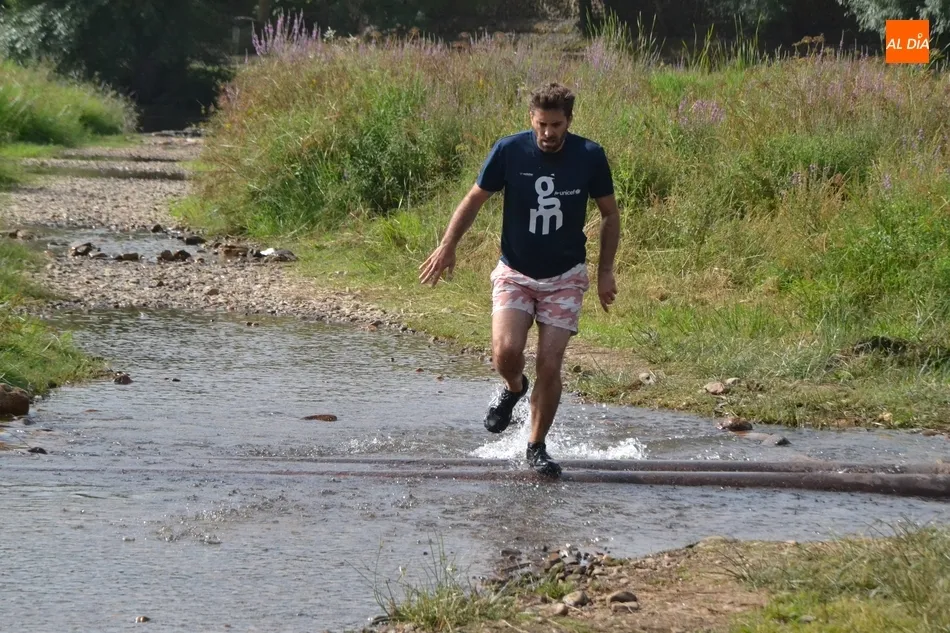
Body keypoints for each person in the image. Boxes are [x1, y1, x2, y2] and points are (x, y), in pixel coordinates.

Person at [418, 82, 620, 478]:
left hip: (565, 277)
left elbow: (610, 215)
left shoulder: (589, 156)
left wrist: (605, 271)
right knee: (506, 353)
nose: (548, 133)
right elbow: (474, 199)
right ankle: (514, 387)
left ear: (569, 122)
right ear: (531, 118)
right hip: (515, 272)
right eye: (541, 124)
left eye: (556, 125)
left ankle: (535, 446)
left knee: (550, 363)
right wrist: (447, 245)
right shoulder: (509, 150)